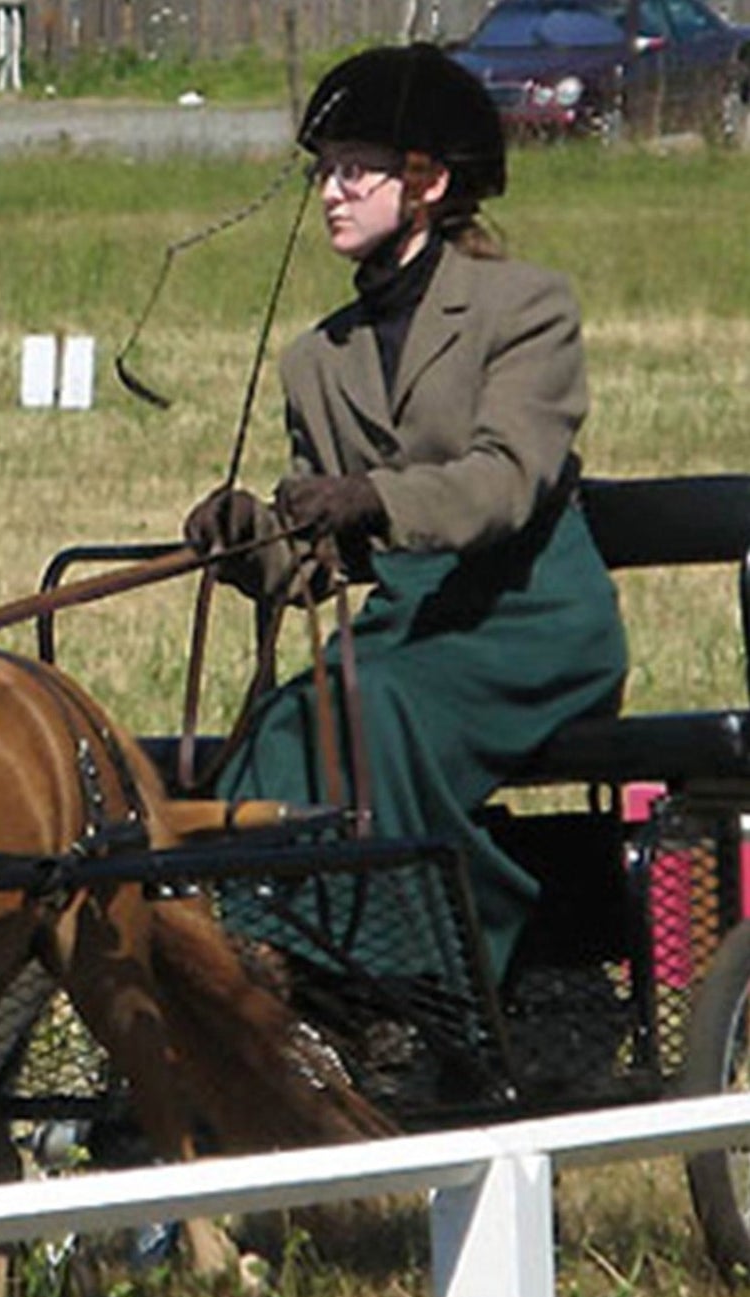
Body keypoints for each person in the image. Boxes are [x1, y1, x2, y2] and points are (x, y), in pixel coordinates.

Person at [182, 43, 628, 984]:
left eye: (354, 168)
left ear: (423, 182)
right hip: (404, 634)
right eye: (324, 171)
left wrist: (373, 498)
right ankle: (265, 962)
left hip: (529, 628)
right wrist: (244, 543)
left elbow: (506, 480)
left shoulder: (525, 308)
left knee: (363, 702)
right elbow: (320, 567)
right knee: (280, 720)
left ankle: (443, 968)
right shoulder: (318, 360)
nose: (331, 193)